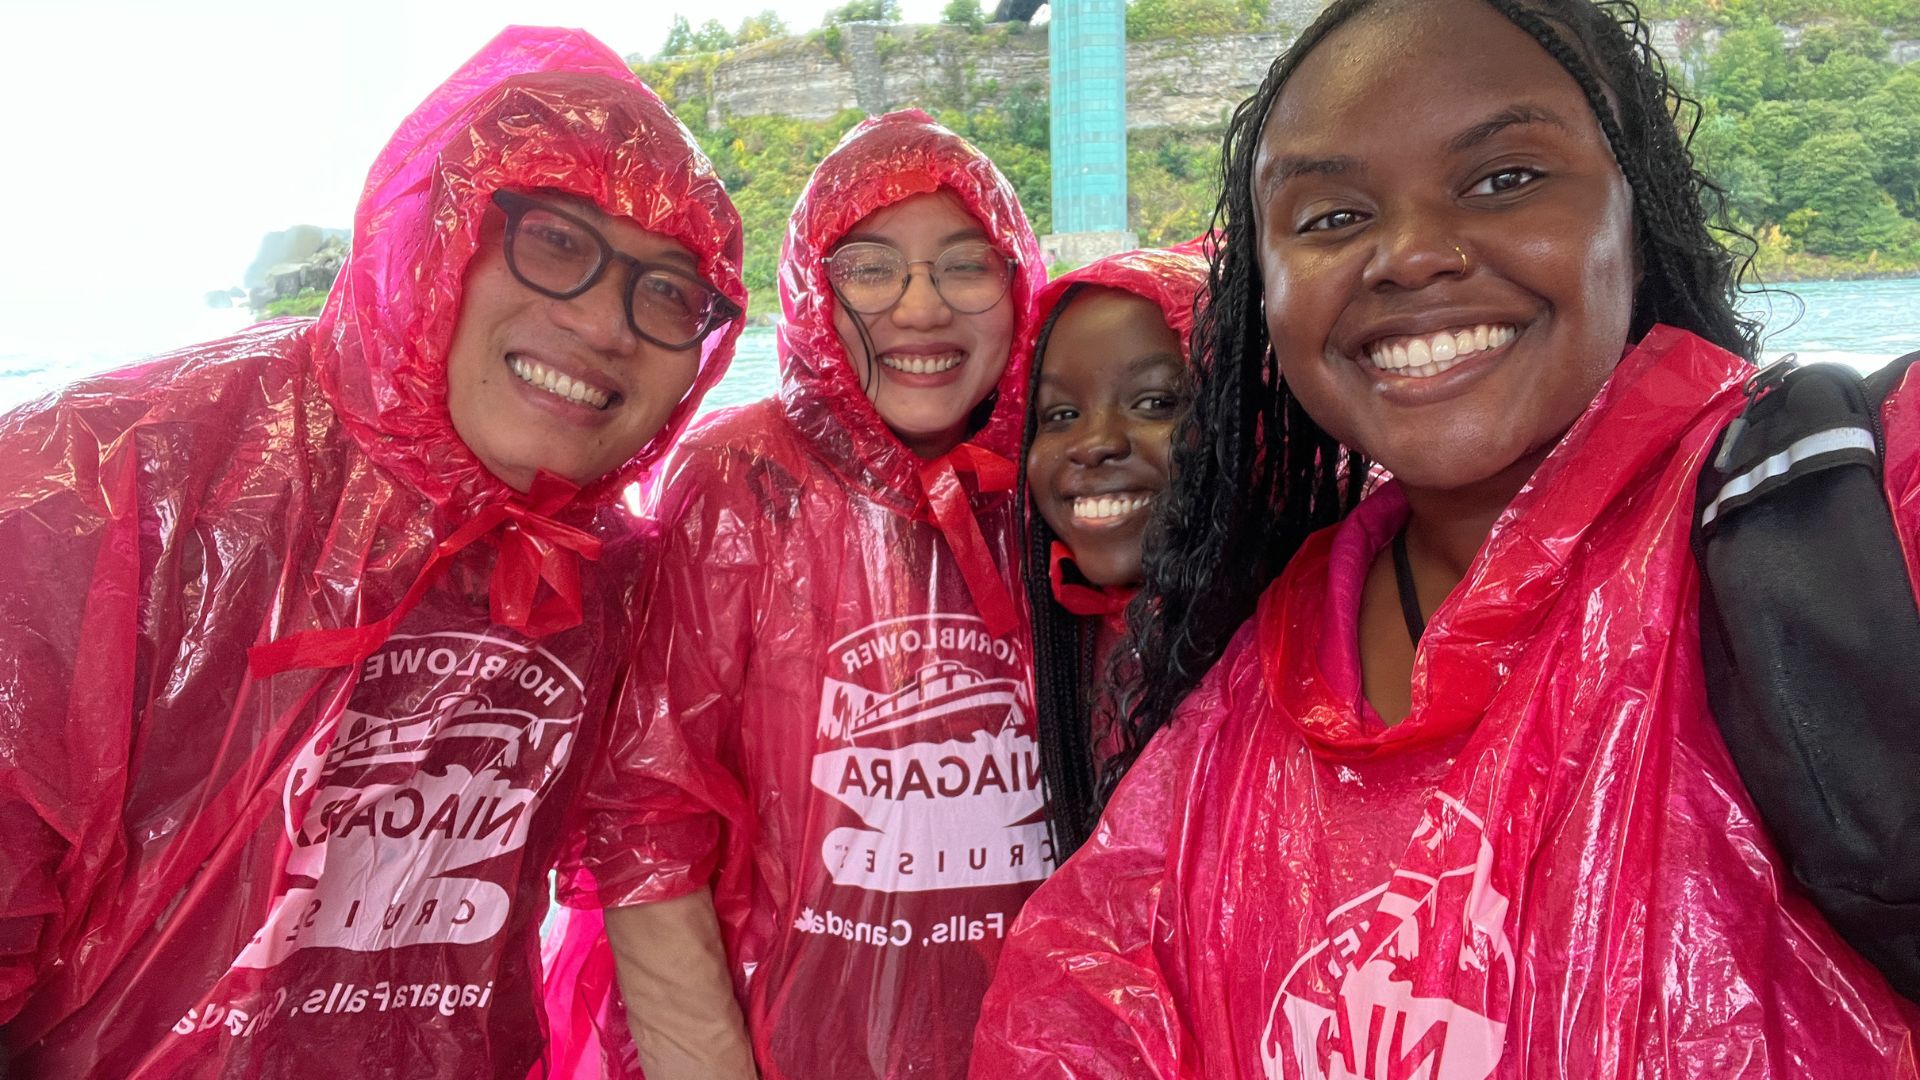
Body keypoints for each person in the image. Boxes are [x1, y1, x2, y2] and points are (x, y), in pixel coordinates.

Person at [971, 0, 1920, 1075]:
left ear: (1634, 212)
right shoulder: (1247, 674)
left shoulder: (1849, 507)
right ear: (1267, 297)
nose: (1412, 255)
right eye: (1330, 216)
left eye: (1504, 179)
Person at [0, 27, 745, 1078]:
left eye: (671, 291)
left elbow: (645, 852)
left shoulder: (614, 574)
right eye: (557, 241)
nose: (607, 325)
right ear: (434, 234)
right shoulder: (104, 483)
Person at [545, 109, 1048, 1080]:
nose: (919, 309)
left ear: (1018, 281)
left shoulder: (1063, 483)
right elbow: (646, 826)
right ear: (813, 291)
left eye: (964, 265)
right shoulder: (740, 481)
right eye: (868, 267)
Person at [1020, 244, 1207, 859]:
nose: (1094, 443)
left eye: (1155, 402)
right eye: (1061, 414)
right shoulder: (1065, 646)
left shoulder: (1332, 639)